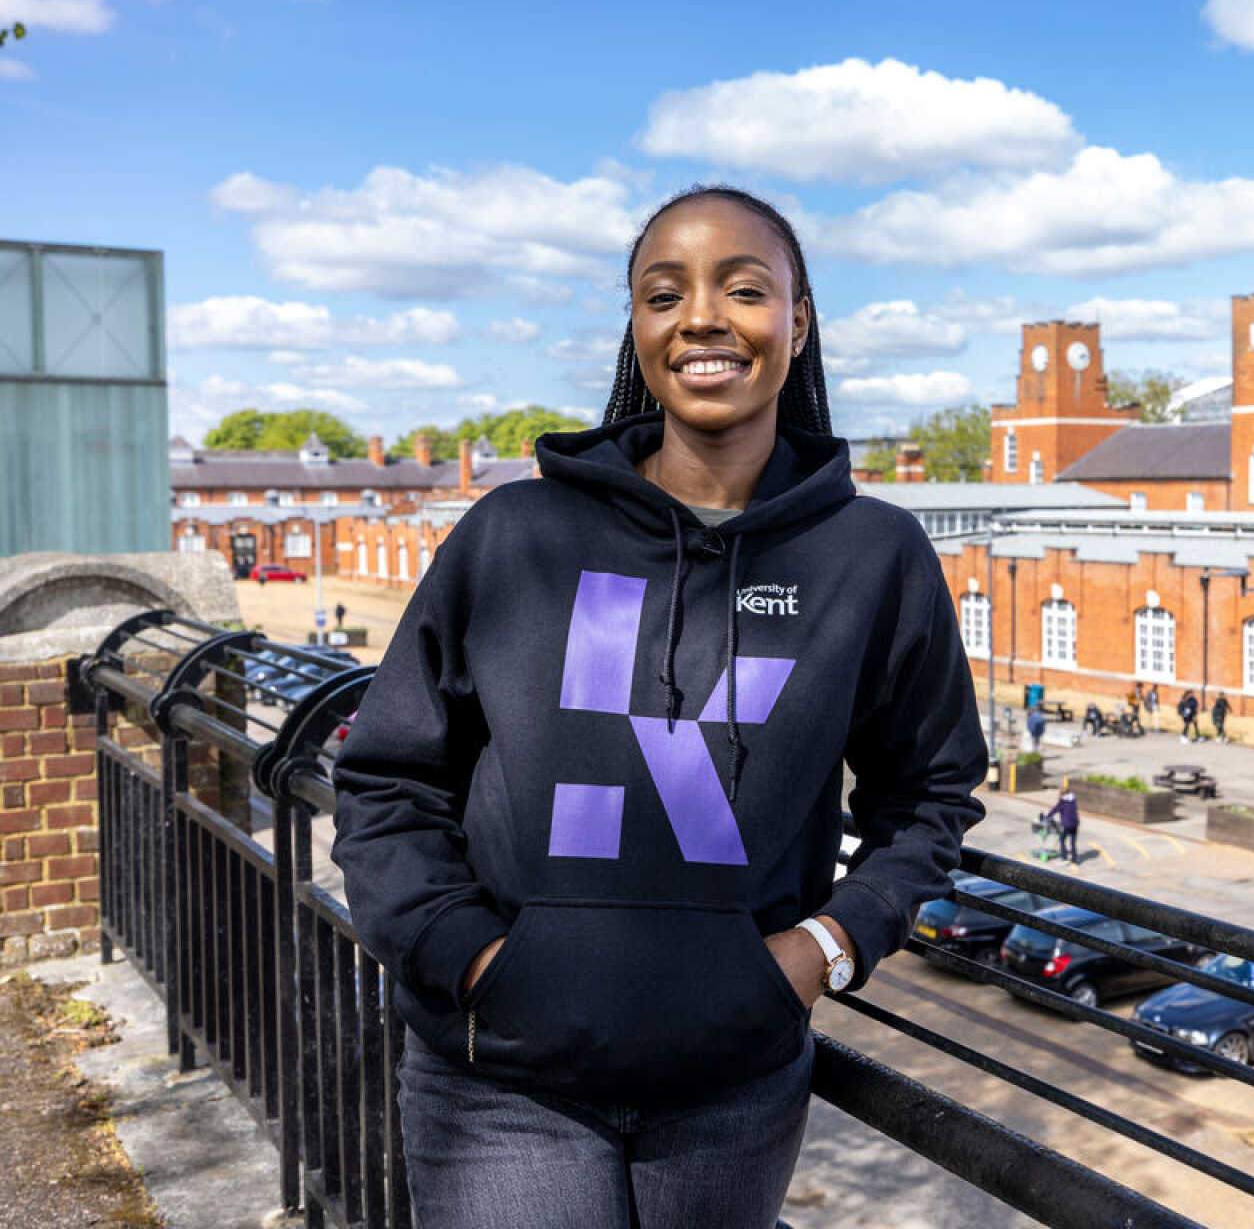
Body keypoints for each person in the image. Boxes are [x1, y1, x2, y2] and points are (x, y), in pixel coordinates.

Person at [330, 186, 988, 1229]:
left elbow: (933, 787)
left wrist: (822, 949)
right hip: (500, 1075)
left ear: (799, 321)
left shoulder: (874, 555)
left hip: (734, 1077)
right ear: (638, 328)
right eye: (663, 293)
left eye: (744, 288)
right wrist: (471, 956)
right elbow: (386, 773)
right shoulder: (515, 532)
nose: (703, 319)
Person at [1043, 782, 1080, 864]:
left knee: (1062, 840)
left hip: (1067, 825)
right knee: (1073, 842)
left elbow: (1055, 809)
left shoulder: (1062, 802)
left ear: (1062, 794)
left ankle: (1064, 858)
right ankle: (1074, 859)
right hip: (1075, 823)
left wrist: (1047, 817)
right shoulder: (1073, 800)